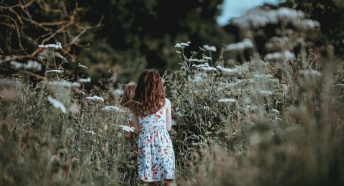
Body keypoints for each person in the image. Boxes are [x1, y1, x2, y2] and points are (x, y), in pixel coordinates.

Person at [128, 69, 175, 186]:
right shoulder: (166, 103)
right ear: (159, 85)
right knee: (168, 178)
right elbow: (168, 127)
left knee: (151, 180)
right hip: (163, 144)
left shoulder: (135, 106)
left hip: (145, 146)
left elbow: (137, 130)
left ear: (140, 86)